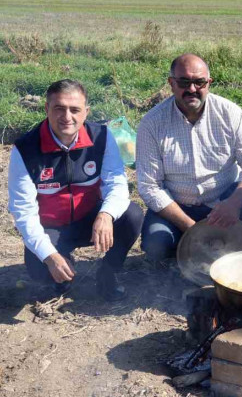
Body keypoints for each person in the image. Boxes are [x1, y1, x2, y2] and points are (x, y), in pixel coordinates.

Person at [8, 79, 143, 301]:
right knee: (40, 269)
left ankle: (108, 274)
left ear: (86, 112)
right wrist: (50, 255)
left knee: (132, 215)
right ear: (46, 109)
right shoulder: (25, 149)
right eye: (59, 108)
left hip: (89, 220)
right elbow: (23, 212)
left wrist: (106, 214)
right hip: (51, 228)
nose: (67, 117)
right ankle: (62, 275)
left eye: (75, 110)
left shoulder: (102, 136)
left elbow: (117, 184)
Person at [136, 54, 242, 261]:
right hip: (177, 206)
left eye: (199, 82)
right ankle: (188, 247)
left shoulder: (230, 113)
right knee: (156, 244)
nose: (192, 89)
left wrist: (234, 203)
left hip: (222, 201)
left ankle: (237, 241)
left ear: (209, 83)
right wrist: (192, 228)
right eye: (184, 82)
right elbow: (149, 186)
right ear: (171, 83)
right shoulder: (152, 123)